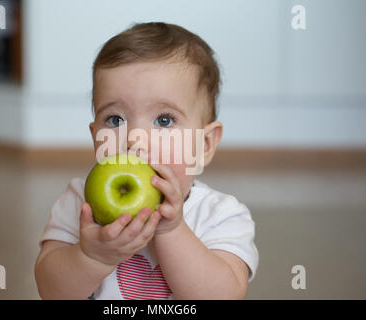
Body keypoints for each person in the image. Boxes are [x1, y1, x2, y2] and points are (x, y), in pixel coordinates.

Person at [34, 22, 258, 300]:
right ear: (95, 138)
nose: (134, 140)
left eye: (164, 120)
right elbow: (50, 291)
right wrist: (91, 256)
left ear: (205, 144)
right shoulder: (80, 204)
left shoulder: (220, 215)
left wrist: (172, 230)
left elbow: (223, 296)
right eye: (115, 120)